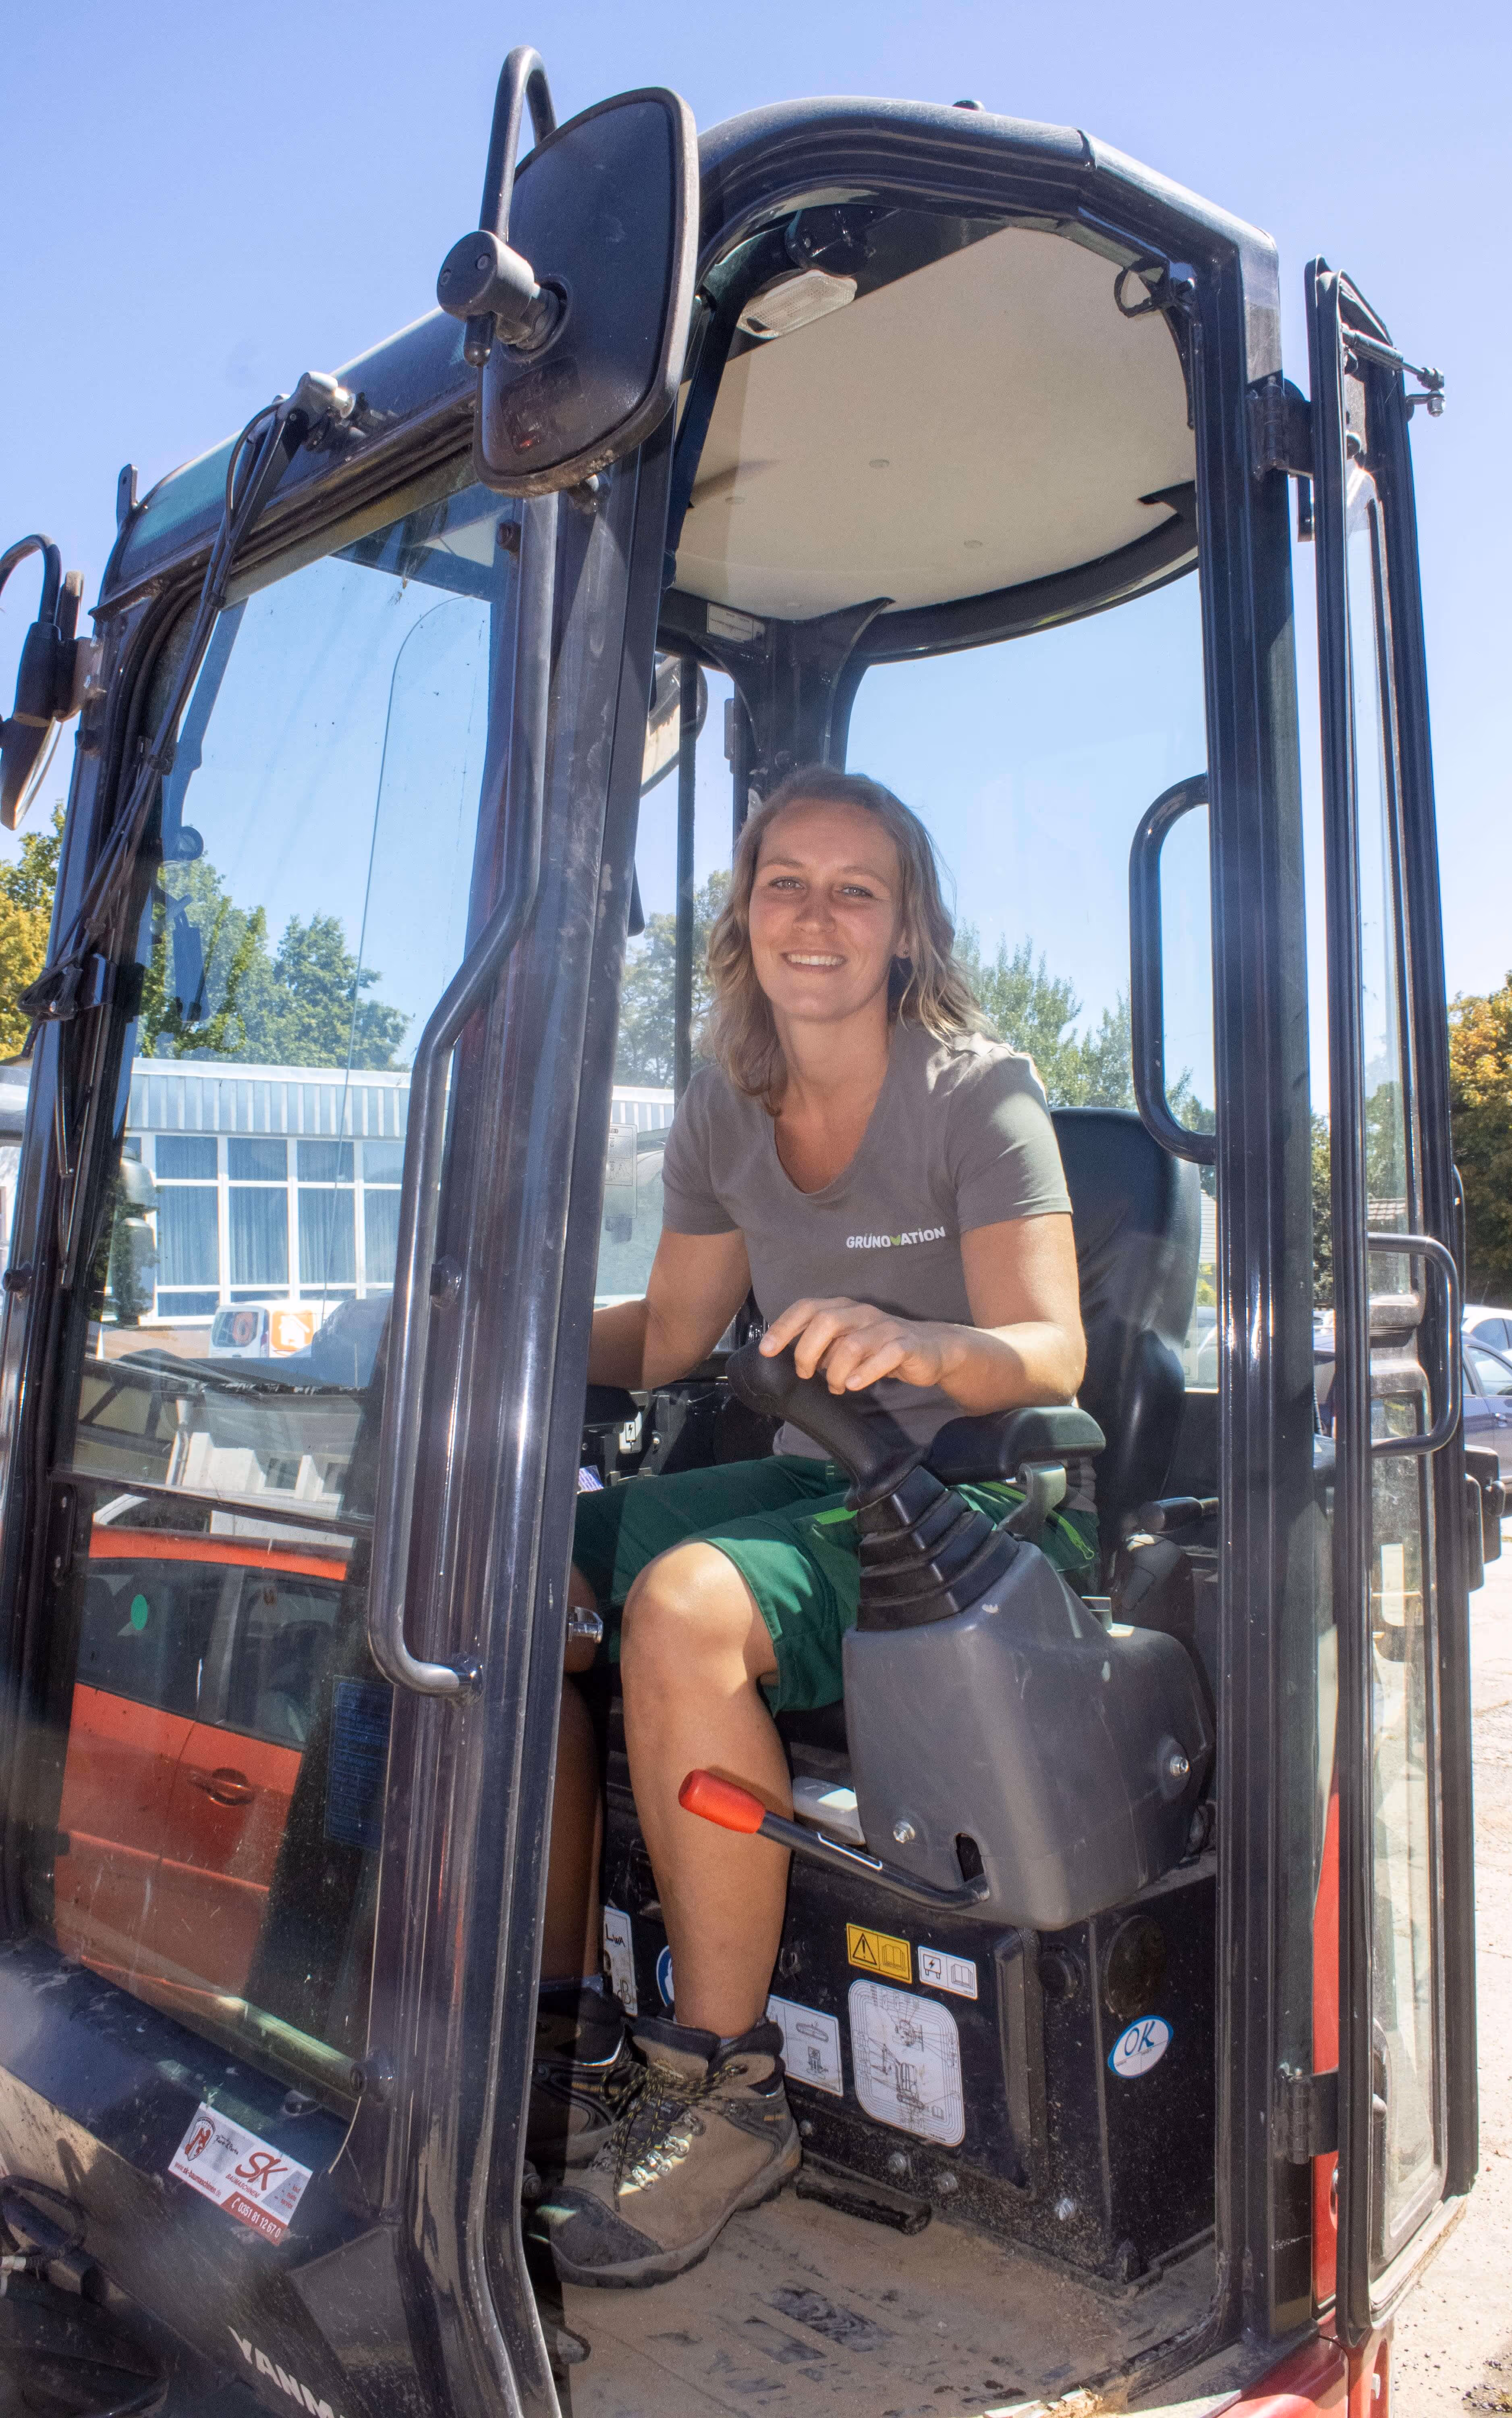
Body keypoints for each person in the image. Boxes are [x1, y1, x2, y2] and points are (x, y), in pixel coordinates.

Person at [540, 767, 1095, 2289]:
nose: (818, 915)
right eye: (788, 880)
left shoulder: (981, 1090)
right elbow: (666, 1339)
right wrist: (480, 1324)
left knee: (686, 1601)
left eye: (858, 889)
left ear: (907, 925)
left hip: (968, 1493)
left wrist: (913, 1342)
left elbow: (1051, 1353)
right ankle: (554, 2035)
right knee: (510, 1574)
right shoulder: (727, 1103)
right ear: (743, 909)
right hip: (815, 1476)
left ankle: (727, 2090)